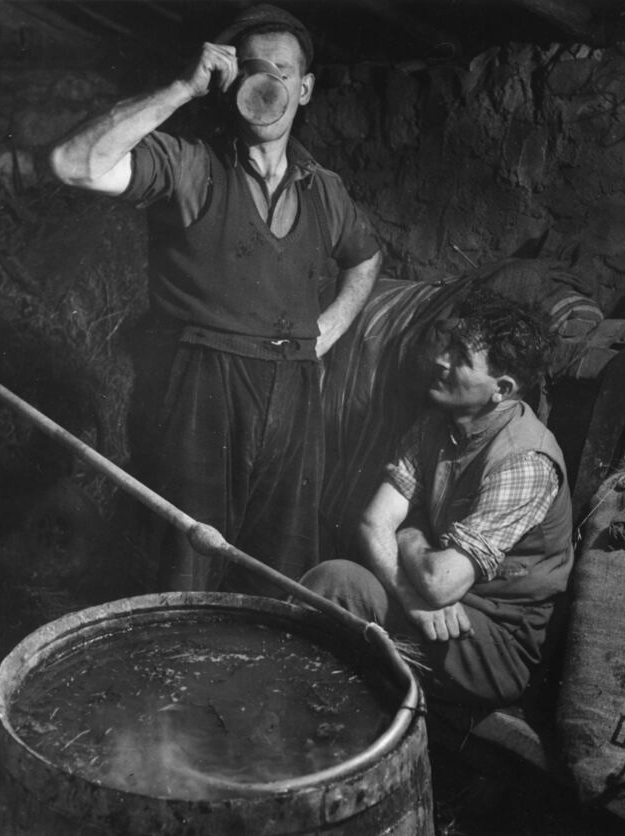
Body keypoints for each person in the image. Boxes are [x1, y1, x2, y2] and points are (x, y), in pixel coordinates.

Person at [49, 4, 381, 595]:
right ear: (231, 80)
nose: (269, 81)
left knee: (279, 565)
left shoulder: (323, 188)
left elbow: (366, 256)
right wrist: (182, 88)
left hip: (294, 388)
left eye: (283, 70)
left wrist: (326, 329)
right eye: (255, 68)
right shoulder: (191, 164)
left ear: (303, 89)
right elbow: (73, 164)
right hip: (201, 379)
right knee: (185, 558)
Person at [301, 295, 573, 712]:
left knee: (338, 586)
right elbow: (371, 524)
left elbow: (441, 582)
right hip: (435, 613)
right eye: (448, 347)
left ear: (501, 389)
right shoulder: (435, 424)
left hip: (493, 644)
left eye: (461, 357)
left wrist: (408, 528)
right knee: (333, 588)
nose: (441, 361)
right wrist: (410, 597)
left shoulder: (525, 462)